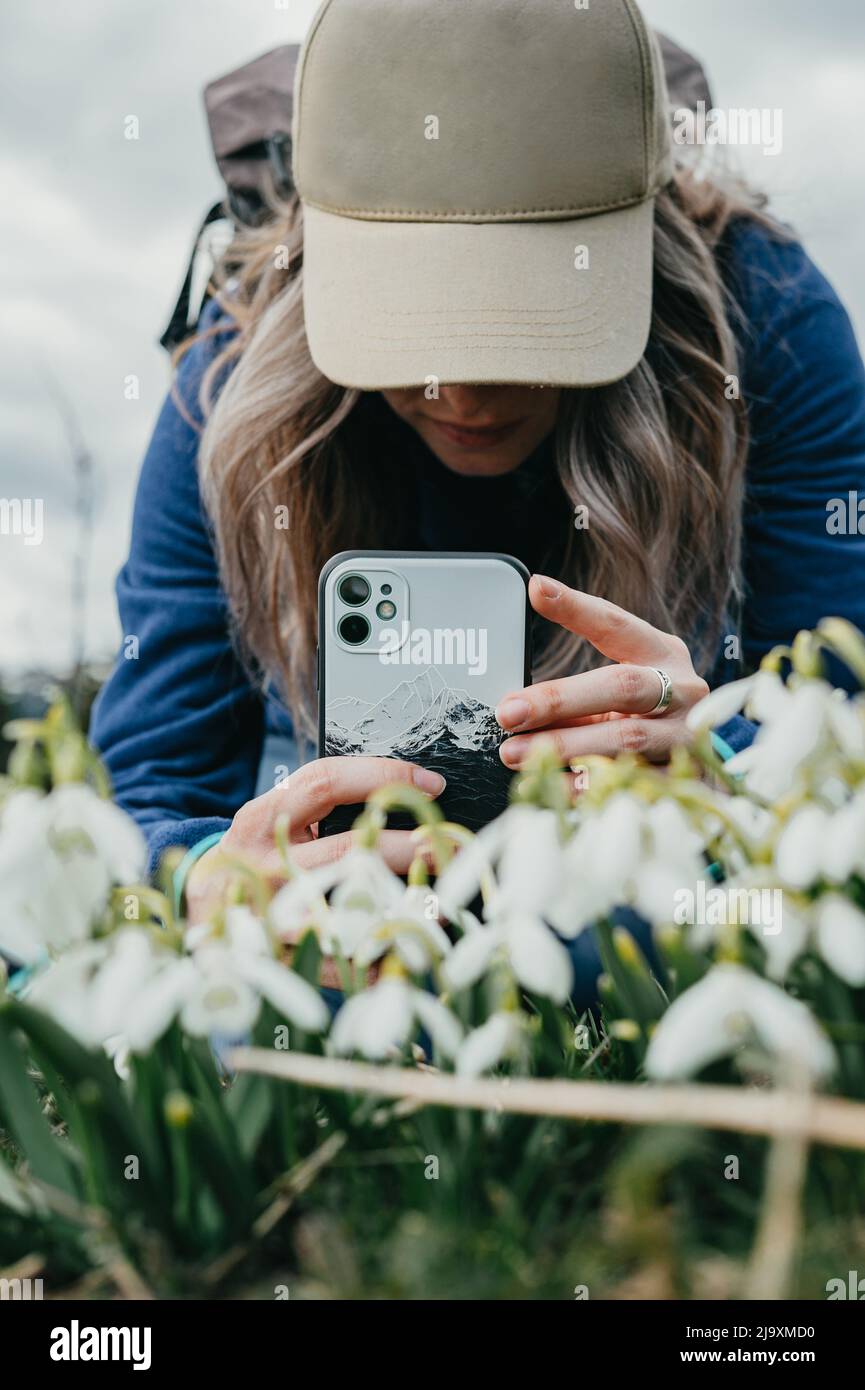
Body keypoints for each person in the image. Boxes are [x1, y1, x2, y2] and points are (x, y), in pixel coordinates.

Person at [92, 0, 865, 998]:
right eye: (403, 326)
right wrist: (207, 879)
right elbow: (155, 778)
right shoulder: (229, 384)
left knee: (613, 948)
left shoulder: (767, 324)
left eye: (530, 319)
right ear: (320, 255)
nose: (459, 394)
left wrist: (722, 768)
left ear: (631, 245)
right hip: (330, 767)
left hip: (631, 827)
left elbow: (837, 713)